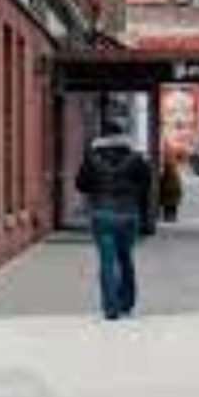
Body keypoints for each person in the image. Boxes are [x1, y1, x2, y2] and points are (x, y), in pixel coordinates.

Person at [76, 127, 153, 321]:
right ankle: (126, 304)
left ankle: (110, 309)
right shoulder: (136, 158)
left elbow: (81, 184)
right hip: (128, 215)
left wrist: (96, 186)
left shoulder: (92, 158)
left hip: (102, 214)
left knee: (107, 261)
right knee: (125, 258)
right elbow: (147, 185)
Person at [159, 152, 183, 222]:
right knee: (172, 206)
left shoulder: (168, 169)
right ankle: (171, 217)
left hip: (169, 191)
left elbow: (163, 180)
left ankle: (169, 217)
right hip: (172, 191)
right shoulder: (173, 170)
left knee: (169, 206)